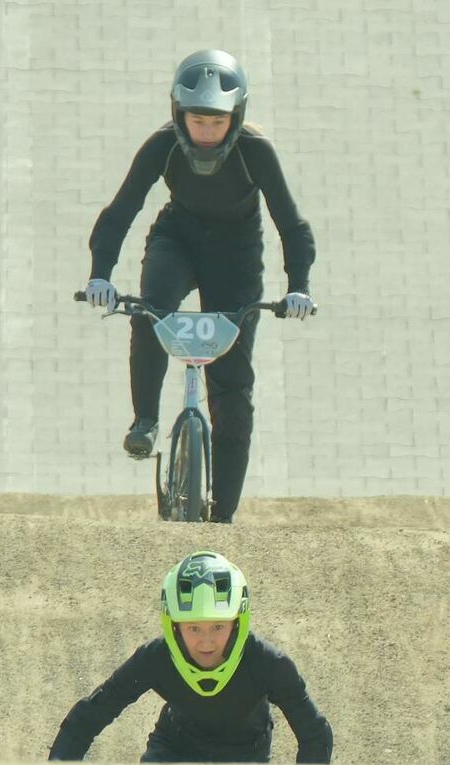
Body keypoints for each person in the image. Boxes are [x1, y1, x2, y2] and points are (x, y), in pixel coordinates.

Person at [81, 49, 316, 523]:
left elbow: (292, 224)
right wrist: (100, 276)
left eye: (217, 122)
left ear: (237, 116)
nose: (206, 133)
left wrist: (299, 287)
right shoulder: (162, 146)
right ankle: (145, 421)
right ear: (177, 114)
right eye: (196, 121)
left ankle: (223, 516)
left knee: (232, 388)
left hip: (237, 255)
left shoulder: (256, 151)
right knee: (152, 308)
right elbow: (120, 211)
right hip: (178, 238)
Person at [48, 551, 333, 764]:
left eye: (218, 626)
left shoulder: (268, 663)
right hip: (174, 750)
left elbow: (315, 735)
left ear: (238, 622)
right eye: (193, 627)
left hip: (245, 757)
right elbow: (91, 715)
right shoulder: (156, 657)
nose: (206, 641)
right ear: (174, 626)